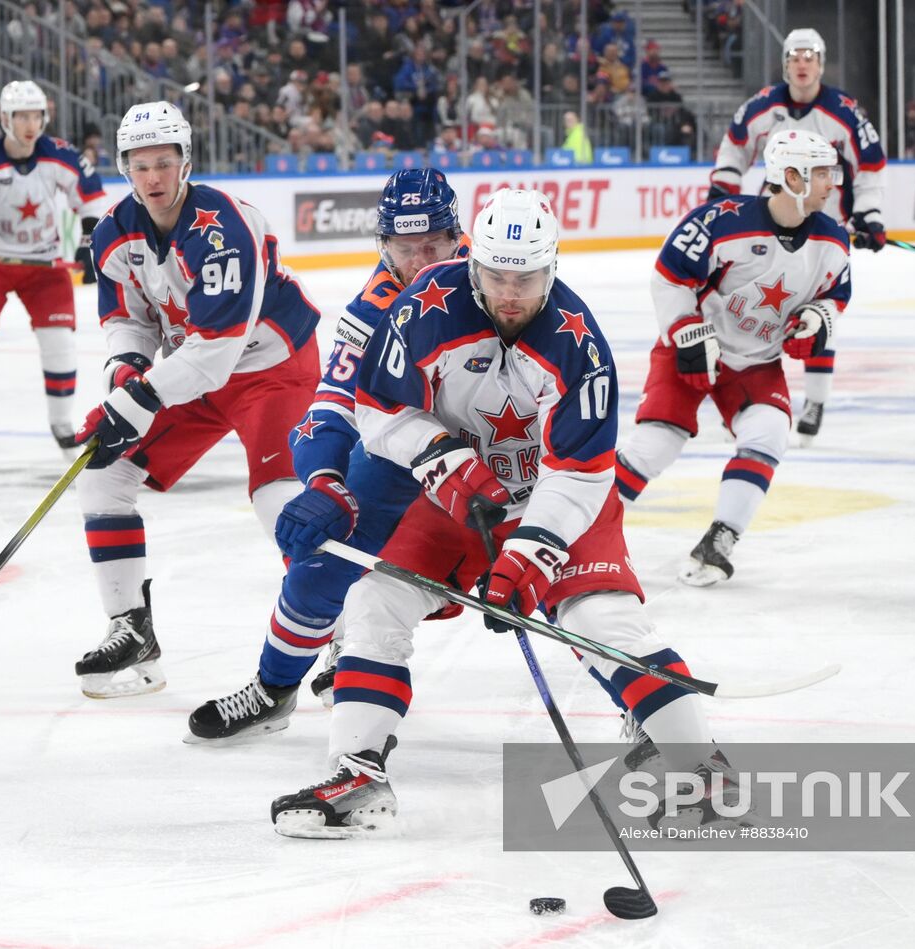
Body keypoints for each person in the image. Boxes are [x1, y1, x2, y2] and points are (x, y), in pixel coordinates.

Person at [271, 189, 733, 837]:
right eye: (496, 276)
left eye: (528, 277)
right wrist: (442, 461)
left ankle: (702, 768)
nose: (511, 292)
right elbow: (378, 409)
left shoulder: (578, 342)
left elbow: (578, 475)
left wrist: (527, 557)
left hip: (555, 499)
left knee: (601, 618)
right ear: (473, 266)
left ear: (553, 267)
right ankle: (358, 772)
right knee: (375, 599)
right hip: (450, 496)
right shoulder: (426, 306)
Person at [184, 169, 469, 741]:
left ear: (458, 237)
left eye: (432, 245)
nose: (419, 260)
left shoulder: (501, 282)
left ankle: (639, 702)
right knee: (319, 562)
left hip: (504, 451)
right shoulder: (372, 308)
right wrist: (323, 480)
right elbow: (332, 404)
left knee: (571, 572)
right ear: (383, 244)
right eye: (404, 247)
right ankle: (273, 689)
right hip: (399, 449)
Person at [69, 102, 322, 699]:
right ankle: (130, 627)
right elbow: (128, 325)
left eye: (164, 162)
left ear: (186, 162)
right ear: (124, 167)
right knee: (101, 476)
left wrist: (140, 400)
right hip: (191, 370)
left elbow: (218, 352)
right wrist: (124, 381)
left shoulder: (223, 225)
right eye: (139, 165)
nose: (153, 177)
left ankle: (338, 631)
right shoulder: (112, 232)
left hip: (269, 364)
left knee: (281, 503)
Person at [614, 130, 852, 585]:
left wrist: (816, 318)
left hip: (757, 362)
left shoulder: (833, 240)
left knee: (769, 432)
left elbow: (837, 292)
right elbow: (669, 275)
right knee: (655, 445)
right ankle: (584, 530)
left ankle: (720, 538)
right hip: (694, 349)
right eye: (821, 172)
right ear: (791, 177)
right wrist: (685, 329)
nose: (830, 183)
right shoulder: (721, 221)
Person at [707, 28, 882, 444]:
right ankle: (740, 395)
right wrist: (722, 192)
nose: (802, 64)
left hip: (825, 233)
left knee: (819, 313)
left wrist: (869, 215)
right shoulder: (762, 106)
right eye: (794, 57)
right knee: (753, 307)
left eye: (810, 56)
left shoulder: (845, 112)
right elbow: (733, 150)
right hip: (770, 226)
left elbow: (869, 166)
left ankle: (816, 399)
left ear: (821, 63)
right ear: (786, 64)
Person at [0, 80, 109, 465]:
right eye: (22, 116)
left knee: (60, 344)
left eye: (37, 115)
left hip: (44, 264)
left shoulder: (60, 154)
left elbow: (91, 198)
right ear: (4, 119)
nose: (31, 124)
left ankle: (63, 426)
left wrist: (89, 241)